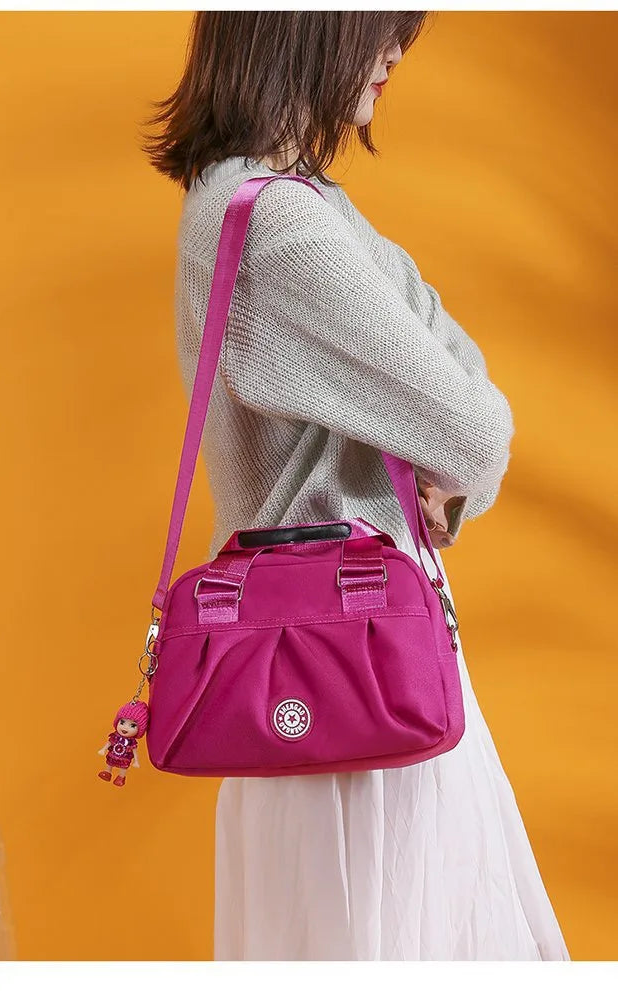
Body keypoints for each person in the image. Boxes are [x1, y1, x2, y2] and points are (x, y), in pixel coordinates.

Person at [141, 11, 571, 961]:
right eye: (379, 28)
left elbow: (452, 364)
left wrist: (442, 421)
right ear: (304, 29)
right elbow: (473, 425)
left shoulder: (284, 204)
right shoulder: (279, 223)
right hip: (354, 679)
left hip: (322, 664)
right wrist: (449, 458)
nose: (393, 56)